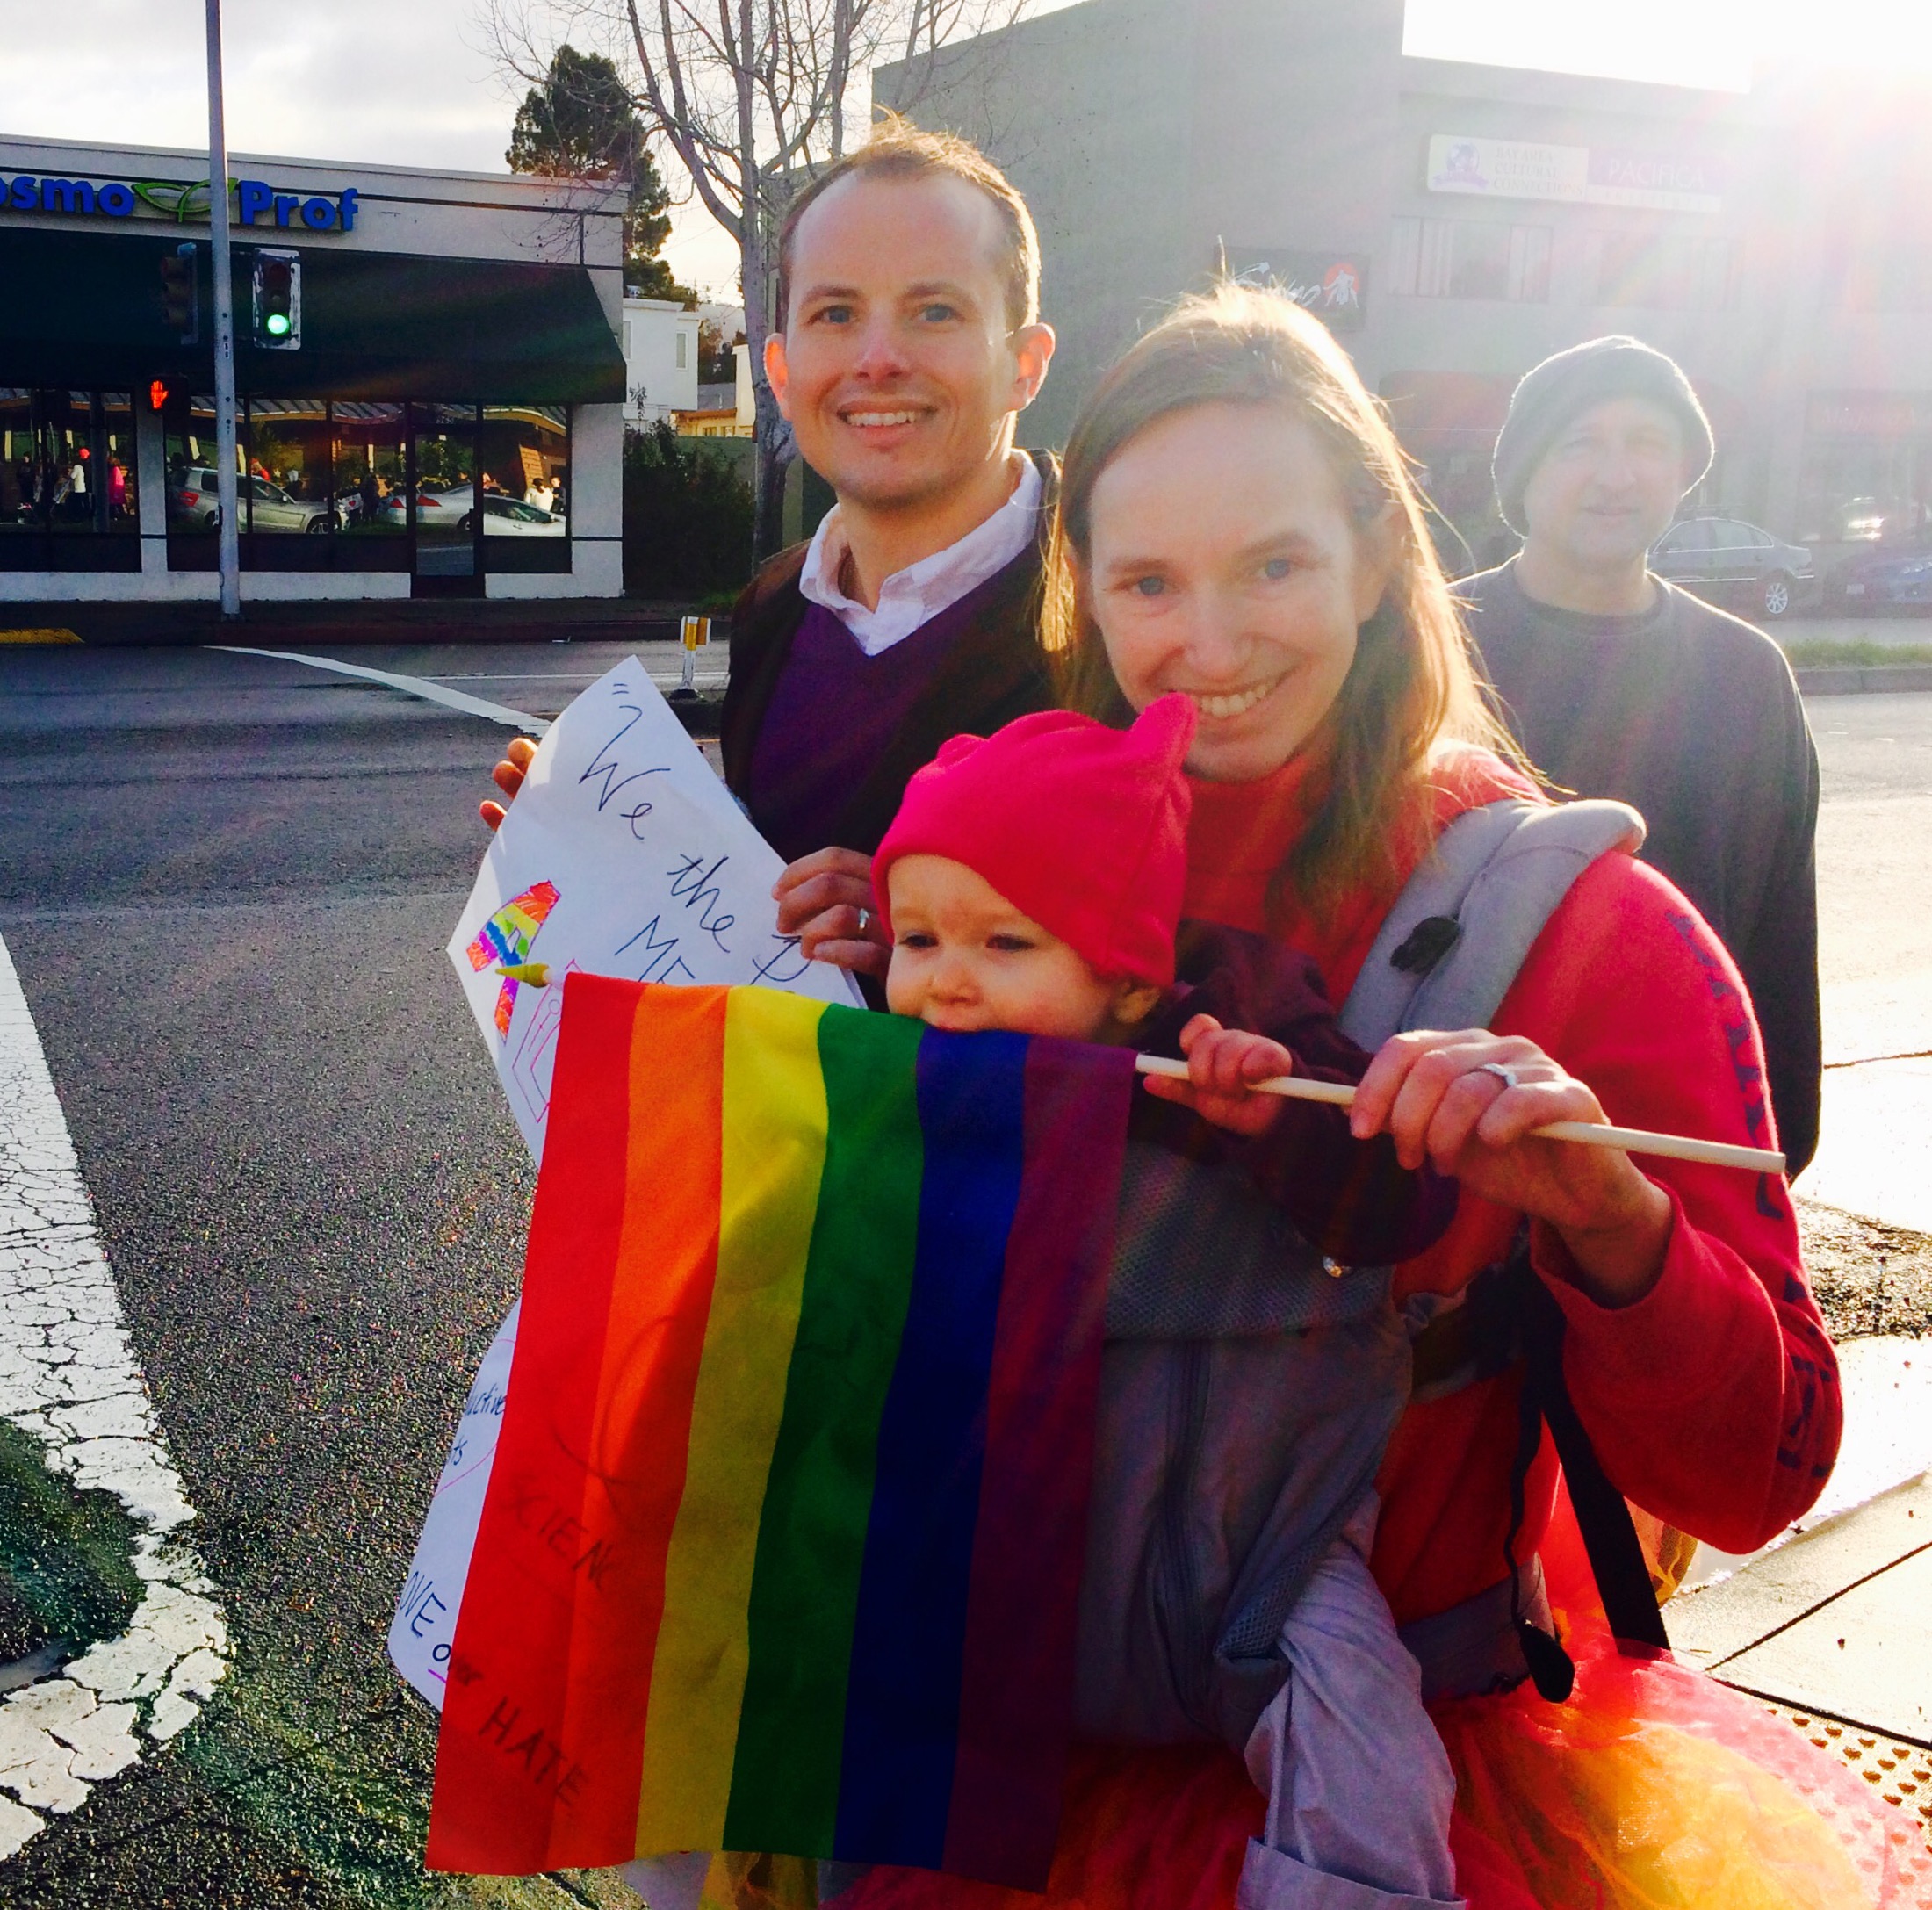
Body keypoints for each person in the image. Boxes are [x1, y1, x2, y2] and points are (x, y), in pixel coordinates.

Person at [831, 287, 1922, 1910]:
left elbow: (1763, 1476)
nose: (1210, 644)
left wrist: (1608, 1218)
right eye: (1149, 582)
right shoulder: (975, 901)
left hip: (1389, 1763)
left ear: (1377, 557)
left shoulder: (1597, 935)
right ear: (1085, 594)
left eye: (1274, 565)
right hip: (990, 1735)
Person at [630, 696, 1465, 1910]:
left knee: (1366, 1756)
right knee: (797, 1696)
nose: (946, 984)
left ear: (1126, 980)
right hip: (993, 1545)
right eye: (918, 940)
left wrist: (1277, 1111)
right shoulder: (907, 1072)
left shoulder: (1234, 1018)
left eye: (1005, 945)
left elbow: (1399, 1211)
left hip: (1249, 1542)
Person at [482, 119, 1059, 978]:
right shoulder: (771, 611)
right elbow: (749, 937)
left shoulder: (1130, 617)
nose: (878, 358)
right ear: (782, 375)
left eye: (934, 310)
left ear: (1024, 364)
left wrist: (942, 946)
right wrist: (626, 856)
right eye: (837, 313)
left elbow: (1214, 985)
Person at [1455, 337, 1823, 1176]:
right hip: (1450, 1128)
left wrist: (1778, 1140)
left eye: (1647, 443)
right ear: (1524, 470)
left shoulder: (1746, 673)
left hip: (1675, 1130)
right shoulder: (1429, 647)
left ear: (1684, 471)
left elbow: (1778, 922)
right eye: (1580, 442)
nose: (1616, 475)